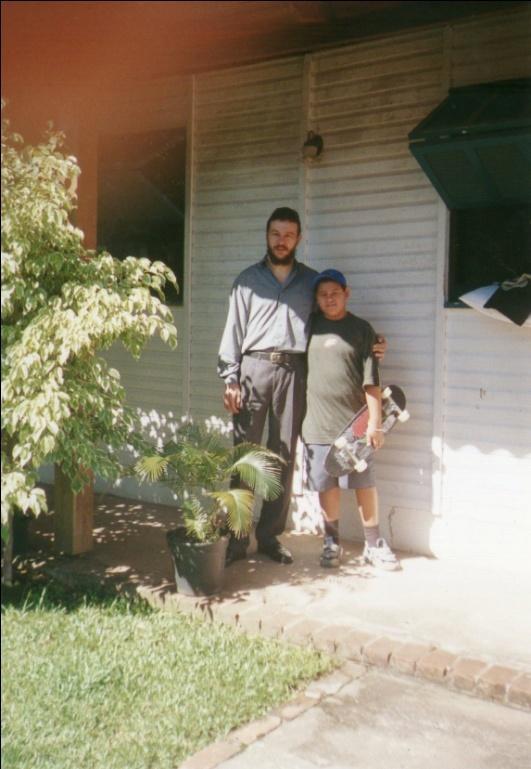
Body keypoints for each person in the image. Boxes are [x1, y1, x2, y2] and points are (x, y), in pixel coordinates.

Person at [218, 208, 386, 566]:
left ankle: (269, 536)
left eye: (289, 235)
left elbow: (334, 317)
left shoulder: (310, 282)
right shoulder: (247, 280)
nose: (282, 241)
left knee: (282, 454)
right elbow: (233, 330)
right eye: (276, 234)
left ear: (298, 238)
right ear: (267, 235)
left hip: (294, 371)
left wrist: (373, 342)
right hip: (253, 368)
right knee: (246, 455)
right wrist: (230, 378)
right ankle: (236, 538)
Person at [302, 268, 400, 571]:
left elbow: (372, 381)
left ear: (347, 293)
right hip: (318, 425)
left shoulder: (362, 329)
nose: (329, 299)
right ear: (316, 299)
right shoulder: (308, 327)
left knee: (363, 482)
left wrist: (375, 423)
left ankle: (373, 544)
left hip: (355, 426)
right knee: (326, 484)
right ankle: (332, 542)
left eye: (335, 293)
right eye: (323, 294)